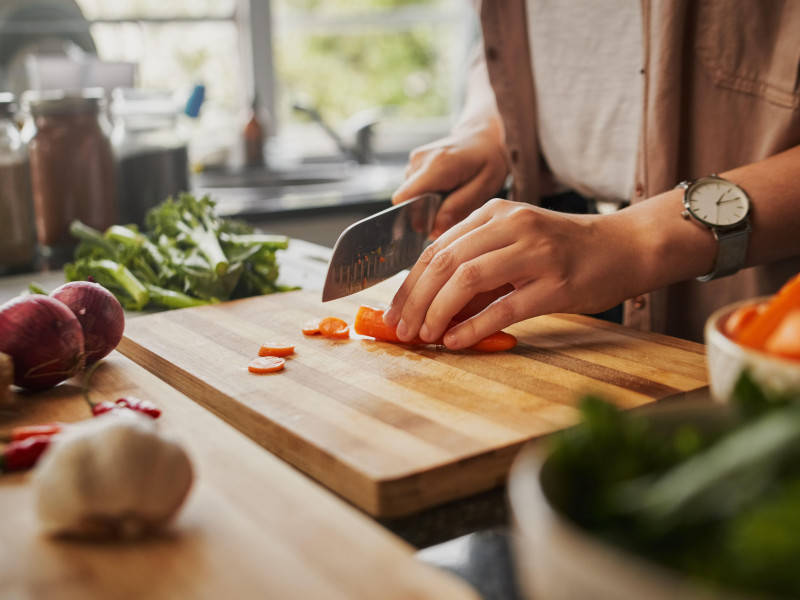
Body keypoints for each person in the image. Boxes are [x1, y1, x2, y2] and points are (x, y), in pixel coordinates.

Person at [382, 0, 800, 348]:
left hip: (748, 292)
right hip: (549, 253)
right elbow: (507, 44)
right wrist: (489, 127)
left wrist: (634, 240)